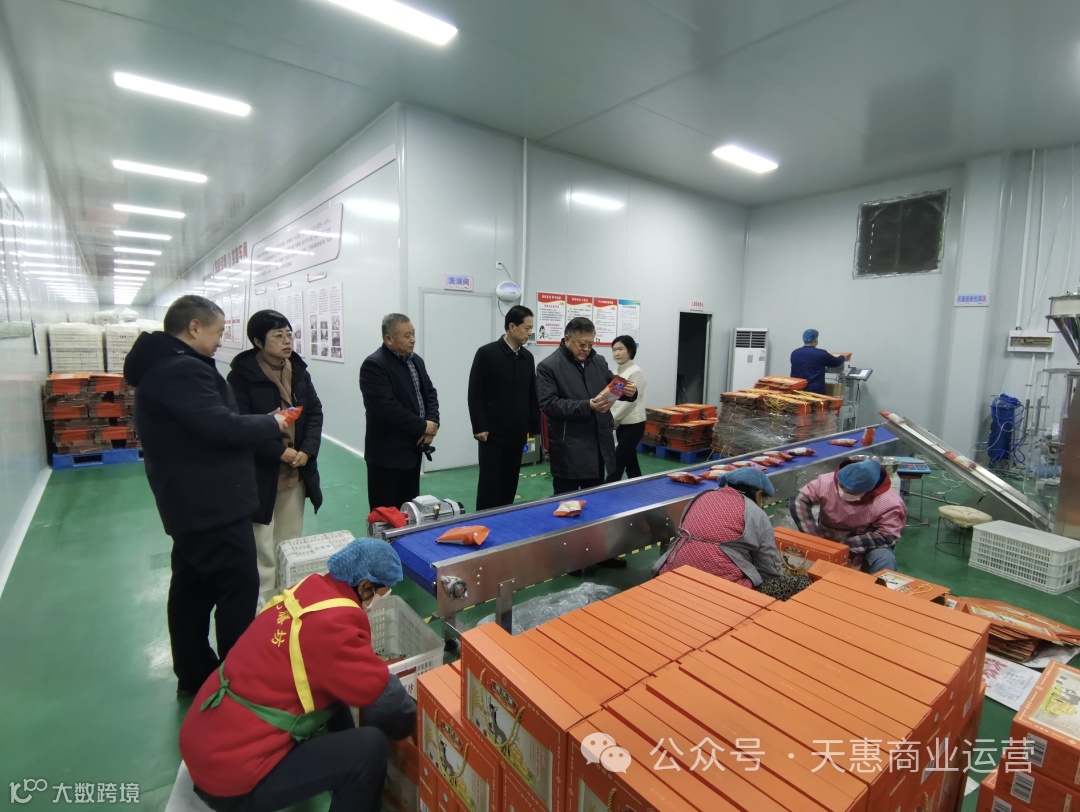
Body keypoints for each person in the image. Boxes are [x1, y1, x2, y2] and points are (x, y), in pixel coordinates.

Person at [179, 538, 417, 812]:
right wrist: (416, 726)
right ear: (365, 586)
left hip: (206, 739)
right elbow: (386, 701)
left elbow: (340, 680)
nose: (378, 601)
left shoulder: (308, 593)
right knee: (370, 749)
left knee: (335, 692)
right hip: (229, 778)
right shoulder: (334, 627)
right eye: (381, 593)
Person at [124, 295, 286, 696]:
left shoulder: (164, 366)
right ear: (194, 327)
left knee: (193, 589)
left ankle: (195, 672)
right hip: (213, 505)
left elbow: (208, 423)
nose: (220, 340)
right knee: (237, 589)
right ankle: (239, 681)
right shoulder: (179, 370)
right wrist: (272, 423)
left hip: (192, 504)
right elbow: (220, 427)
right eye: (217, 332)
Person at [228, 310, 325, 600]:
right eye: (278, 335)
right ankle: (264, 604)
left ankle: (289, 598)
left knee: (290, 540)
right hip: (261, 472)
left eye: (289, 334)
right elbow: (240, 426)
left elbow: (314, 412)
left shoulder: (299, 371)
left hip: (297, 468)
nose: (287, 341)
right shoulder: (241, 377)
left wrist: (307, 450)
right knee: (262, 545)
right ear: (258, 342)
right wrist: (280, 452)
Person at [536, 317, 637, 495]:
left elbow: (611, 384)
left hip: (598, 445)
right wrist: (587, 405)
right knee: (566, 500)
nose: (586, 349)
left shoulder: (598, 361)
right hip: (569, 447)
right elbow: (549, 404)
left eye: (591, 344)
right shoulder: (548, 367)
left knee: (595, 498)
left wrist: (628, 391)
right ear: (567, 340)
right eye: (582, 344)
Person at [359, 314, 440, 512]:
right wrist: (423, 426)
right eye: (407, 335)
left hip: (412, 452)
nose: (413, 339)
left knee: (409, 511)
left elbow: (430, 393)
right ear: (389, 339)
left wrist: (432, 423)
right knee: (385, 516)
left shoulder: (416, 361)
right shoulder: (374, 365)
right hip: (387, 456)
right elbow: (386, 408)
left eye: (413, 334)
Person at [467, 305, 541, 510]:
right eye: (527, 328)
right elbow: (476, 393)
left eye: (531, 328)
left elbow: (532, 394)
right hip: (493, 433)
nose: (530, 333)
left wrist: (534, 427)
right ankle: (483, 521)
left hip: (518, 432)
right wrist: (479, 426)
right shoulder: (487, 353)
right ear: (512, 326)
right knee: (490, 484)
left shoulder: (527, 358)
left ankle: (506, 519)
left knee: (510, 482)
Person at [658, 468, 783, 586]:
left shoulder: (702, 497)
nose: (762, 505)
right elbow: (769, 566)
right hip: (721, 587)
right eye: (763, 500)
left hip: (674, 574)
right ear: (759, 494)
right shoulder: (755, 512)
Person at [790, 458, 906, 573]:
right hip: (825, 537)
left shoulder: (889, 503)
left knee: (884, 558)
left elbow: (887, 535)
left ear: (868, 491)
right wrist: (815, 539)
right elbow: (799, 501)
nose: (844, 493)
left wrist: (846, 546)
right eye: (841, 487)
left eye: (851, 492)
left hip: (864, 544)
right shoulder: (827, 482)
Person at [606, 335, 647, 482]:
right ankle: (638, 486)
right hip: (620, 424)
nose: (617, 353)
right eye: (614, 350)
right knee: (631, 462)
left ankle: (607, 489)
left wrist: (614, 418)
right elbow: (611, 398)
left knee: (617, 462)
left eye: (620, 349)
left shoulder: (635, 372)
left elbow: (631, 402)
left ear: (630, 350)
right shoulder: (615, 373)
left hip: (634, 424)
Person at [789, 328, 851, 395]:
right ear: (815, 340)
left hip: (797, 390)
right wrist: (843, 357)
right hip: (814, 391)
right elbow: (835, 362)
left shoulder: (794, 353)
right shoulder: (821, 353)